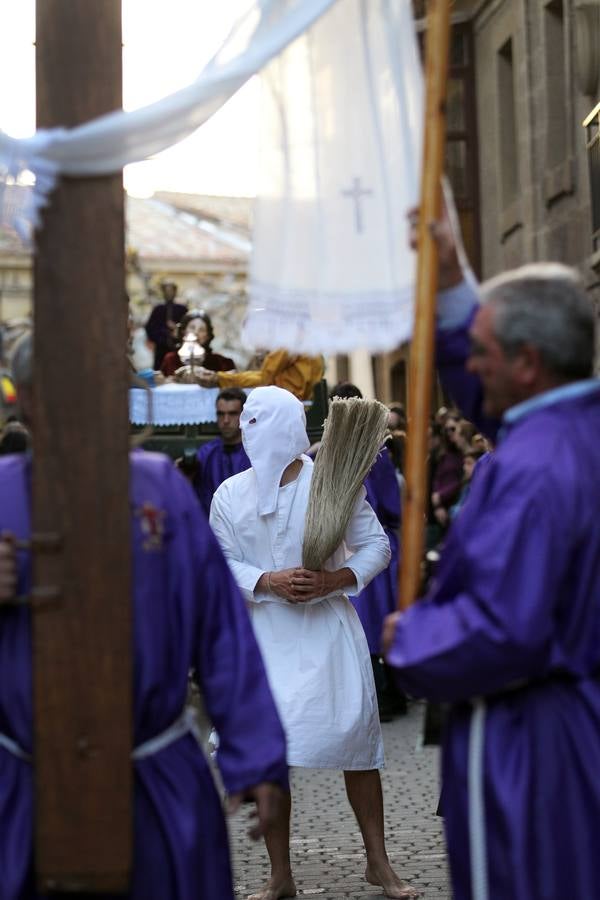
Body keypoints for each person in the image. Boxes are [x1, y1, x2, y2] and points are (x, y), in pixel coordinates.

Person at [0, 334, 289, 900]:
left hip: (155, 780)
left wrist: (256, 755)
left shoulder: (163, 491)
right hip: (23, 786)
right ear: (29, 399)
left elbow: (220, 631)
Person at [383, 208, 600, 900]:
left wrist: (413, 641)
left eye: (482, 352)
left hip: (537, 741)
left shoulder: (535, 468)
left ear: (529, 363)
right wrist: (450, 280)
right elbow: (479, 383)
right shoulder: (570, 425)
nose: (468, 371)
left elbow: (505, 631)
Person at [209, 385, 417, 900]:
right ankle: (280, 874)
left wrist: (336, 578)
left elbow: (376, 546)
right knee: (269, 752)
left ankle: (378, 862)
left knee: (357, 744)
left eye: (258, 420)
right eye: (245, 421)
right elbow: (218, 562)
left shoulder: (334, 483)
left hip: (327, 630)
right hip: (263, 636)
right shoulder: (229, 494)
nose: (247, 429)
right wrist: (265, 581)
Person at [328, 383, 405, 720]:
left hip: (342, 545)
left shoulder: (327, 452)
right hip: (375, 542)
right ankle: (390, 696)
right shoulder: (378, 451)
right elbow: (392, 504)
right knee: (380, 623)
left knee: (359, 622)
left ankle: (371, 697)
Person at [193, 387, 250, 517]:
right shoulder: (206, 453)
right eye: (220, 414)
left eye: (232, 413)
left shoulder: (255, 453)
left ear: (243, 415)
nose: (225, 420)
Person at [197, 348, 323, 401]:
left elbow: (263, 379)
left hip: (287, 403)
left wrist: (220, 378)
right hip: (307, 402)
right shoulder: (309, 340)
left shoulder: (289, 343)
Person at [160, 309, 235, 378]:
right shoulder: (171, 359)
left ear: (207, 336)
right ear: (183, 331)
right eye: (192, 327)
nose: (196, 333)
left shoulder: (220, 362)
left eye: (201, 330)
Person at [144, 279, 187, 370]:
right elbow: (150, 327)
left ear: (175, 292)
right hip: (161, 348)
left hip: (178, 347)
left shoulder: (182, 309)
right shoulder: (158, 309)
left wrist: (176, 329)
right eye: (166, 291)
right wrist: (161, 337)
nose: (169, 293)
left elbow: (187, 326)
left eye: (171, 291)